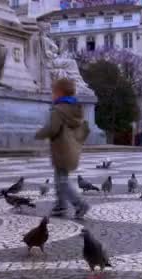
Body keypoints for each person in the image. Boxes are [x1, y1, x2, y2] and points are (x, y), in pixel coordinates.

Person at [35, 78, 90, 219]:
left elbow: (53, 129)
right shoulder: (75, 108)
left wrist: (39, 133)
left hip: (61, 149)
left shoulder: (58, 110)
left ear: (59, 93)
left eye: (53, 92)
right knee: (59, 178)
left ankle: (80, 204)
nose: (52, 95)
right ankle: (60, 205)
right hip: (72, 148)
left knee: (62, 181)